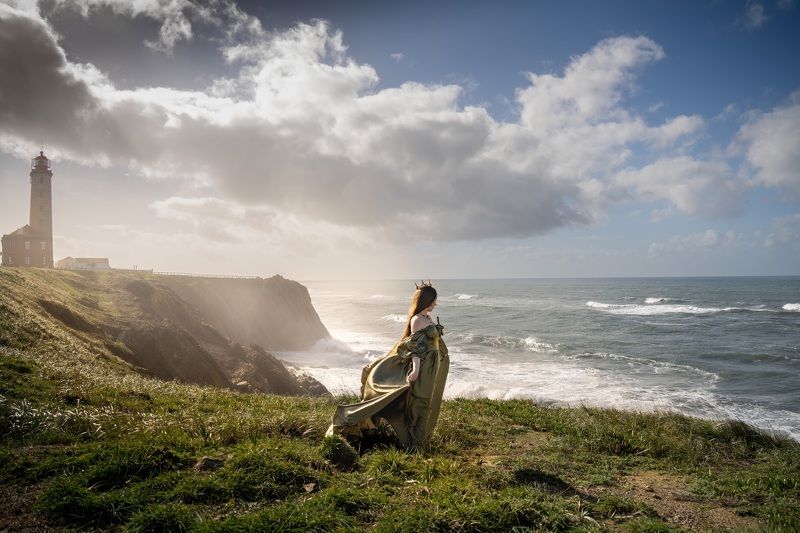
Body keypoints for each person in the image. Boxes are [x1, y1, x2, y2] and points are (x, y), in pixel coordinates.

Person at [325, 280, 450, 451]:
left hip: (431, 367)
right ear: (428, 300)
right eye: (435, 300)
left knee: (426, 403)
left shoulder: (426, 317)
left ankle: (418, 444)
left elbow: (432, 342)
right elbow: (415, 348)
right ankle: (415, 447)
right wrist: (415, 369)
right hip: (423, 367)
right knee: (420, 403)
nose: (436, 303)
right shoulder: (417, 320)